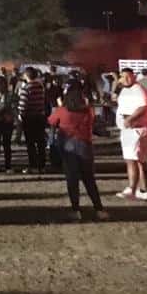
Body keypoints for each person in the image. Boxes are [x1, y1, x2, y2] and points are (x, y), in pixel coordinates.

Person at [48, 86, 108, 221]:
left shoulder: (62, 111)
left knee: (72, 180)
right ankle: (99, 209)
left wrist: (60, 106)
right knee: (89, 179)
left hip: (68, 146)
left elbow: (51, 121)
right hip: (85, 145)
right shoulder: (88, 111)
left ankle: (76, 210)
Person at [115, 68, 147, 201]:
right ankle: (142, 190)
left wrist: (130, 118)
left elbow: (143, 107)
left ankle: (132, 188)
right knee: (137, 160)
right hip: (128, 130)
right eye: (122, 76)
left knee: (133, 160)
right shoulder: (125, 90)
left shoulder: (138, 89)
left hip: (136, 129)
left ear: (133, 76)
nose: (125, 79)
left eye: (128, 76)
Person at [17, 68, 47, 174]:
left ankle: (33, 165)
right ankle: (42, 166)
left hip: (29, 117)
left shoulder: (26, 88)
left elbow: (23, 104)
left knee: (30, 143)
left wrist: (20, 115)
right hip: (40, 116)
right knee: (40, 142)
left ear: (26, 75)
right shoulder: (40, 86)